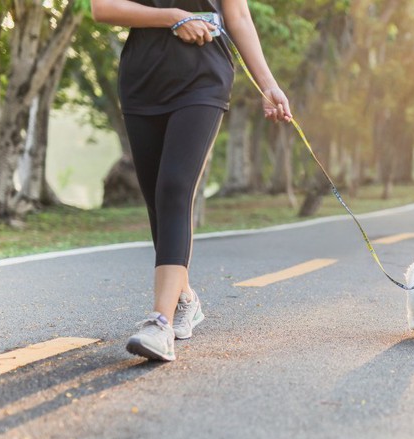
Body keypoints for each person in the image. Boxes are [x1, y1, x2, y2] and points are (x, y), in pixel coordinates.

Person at [91, 0, 292, 361]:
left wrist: (268, 84)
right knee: (156, 199)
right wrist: (172, 18)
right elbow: (102, 9)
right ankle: (185, 298)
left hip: (204, 78)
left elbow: (239, 16)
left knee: (174, 189)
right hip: (142, 79)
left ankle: (159, 323)